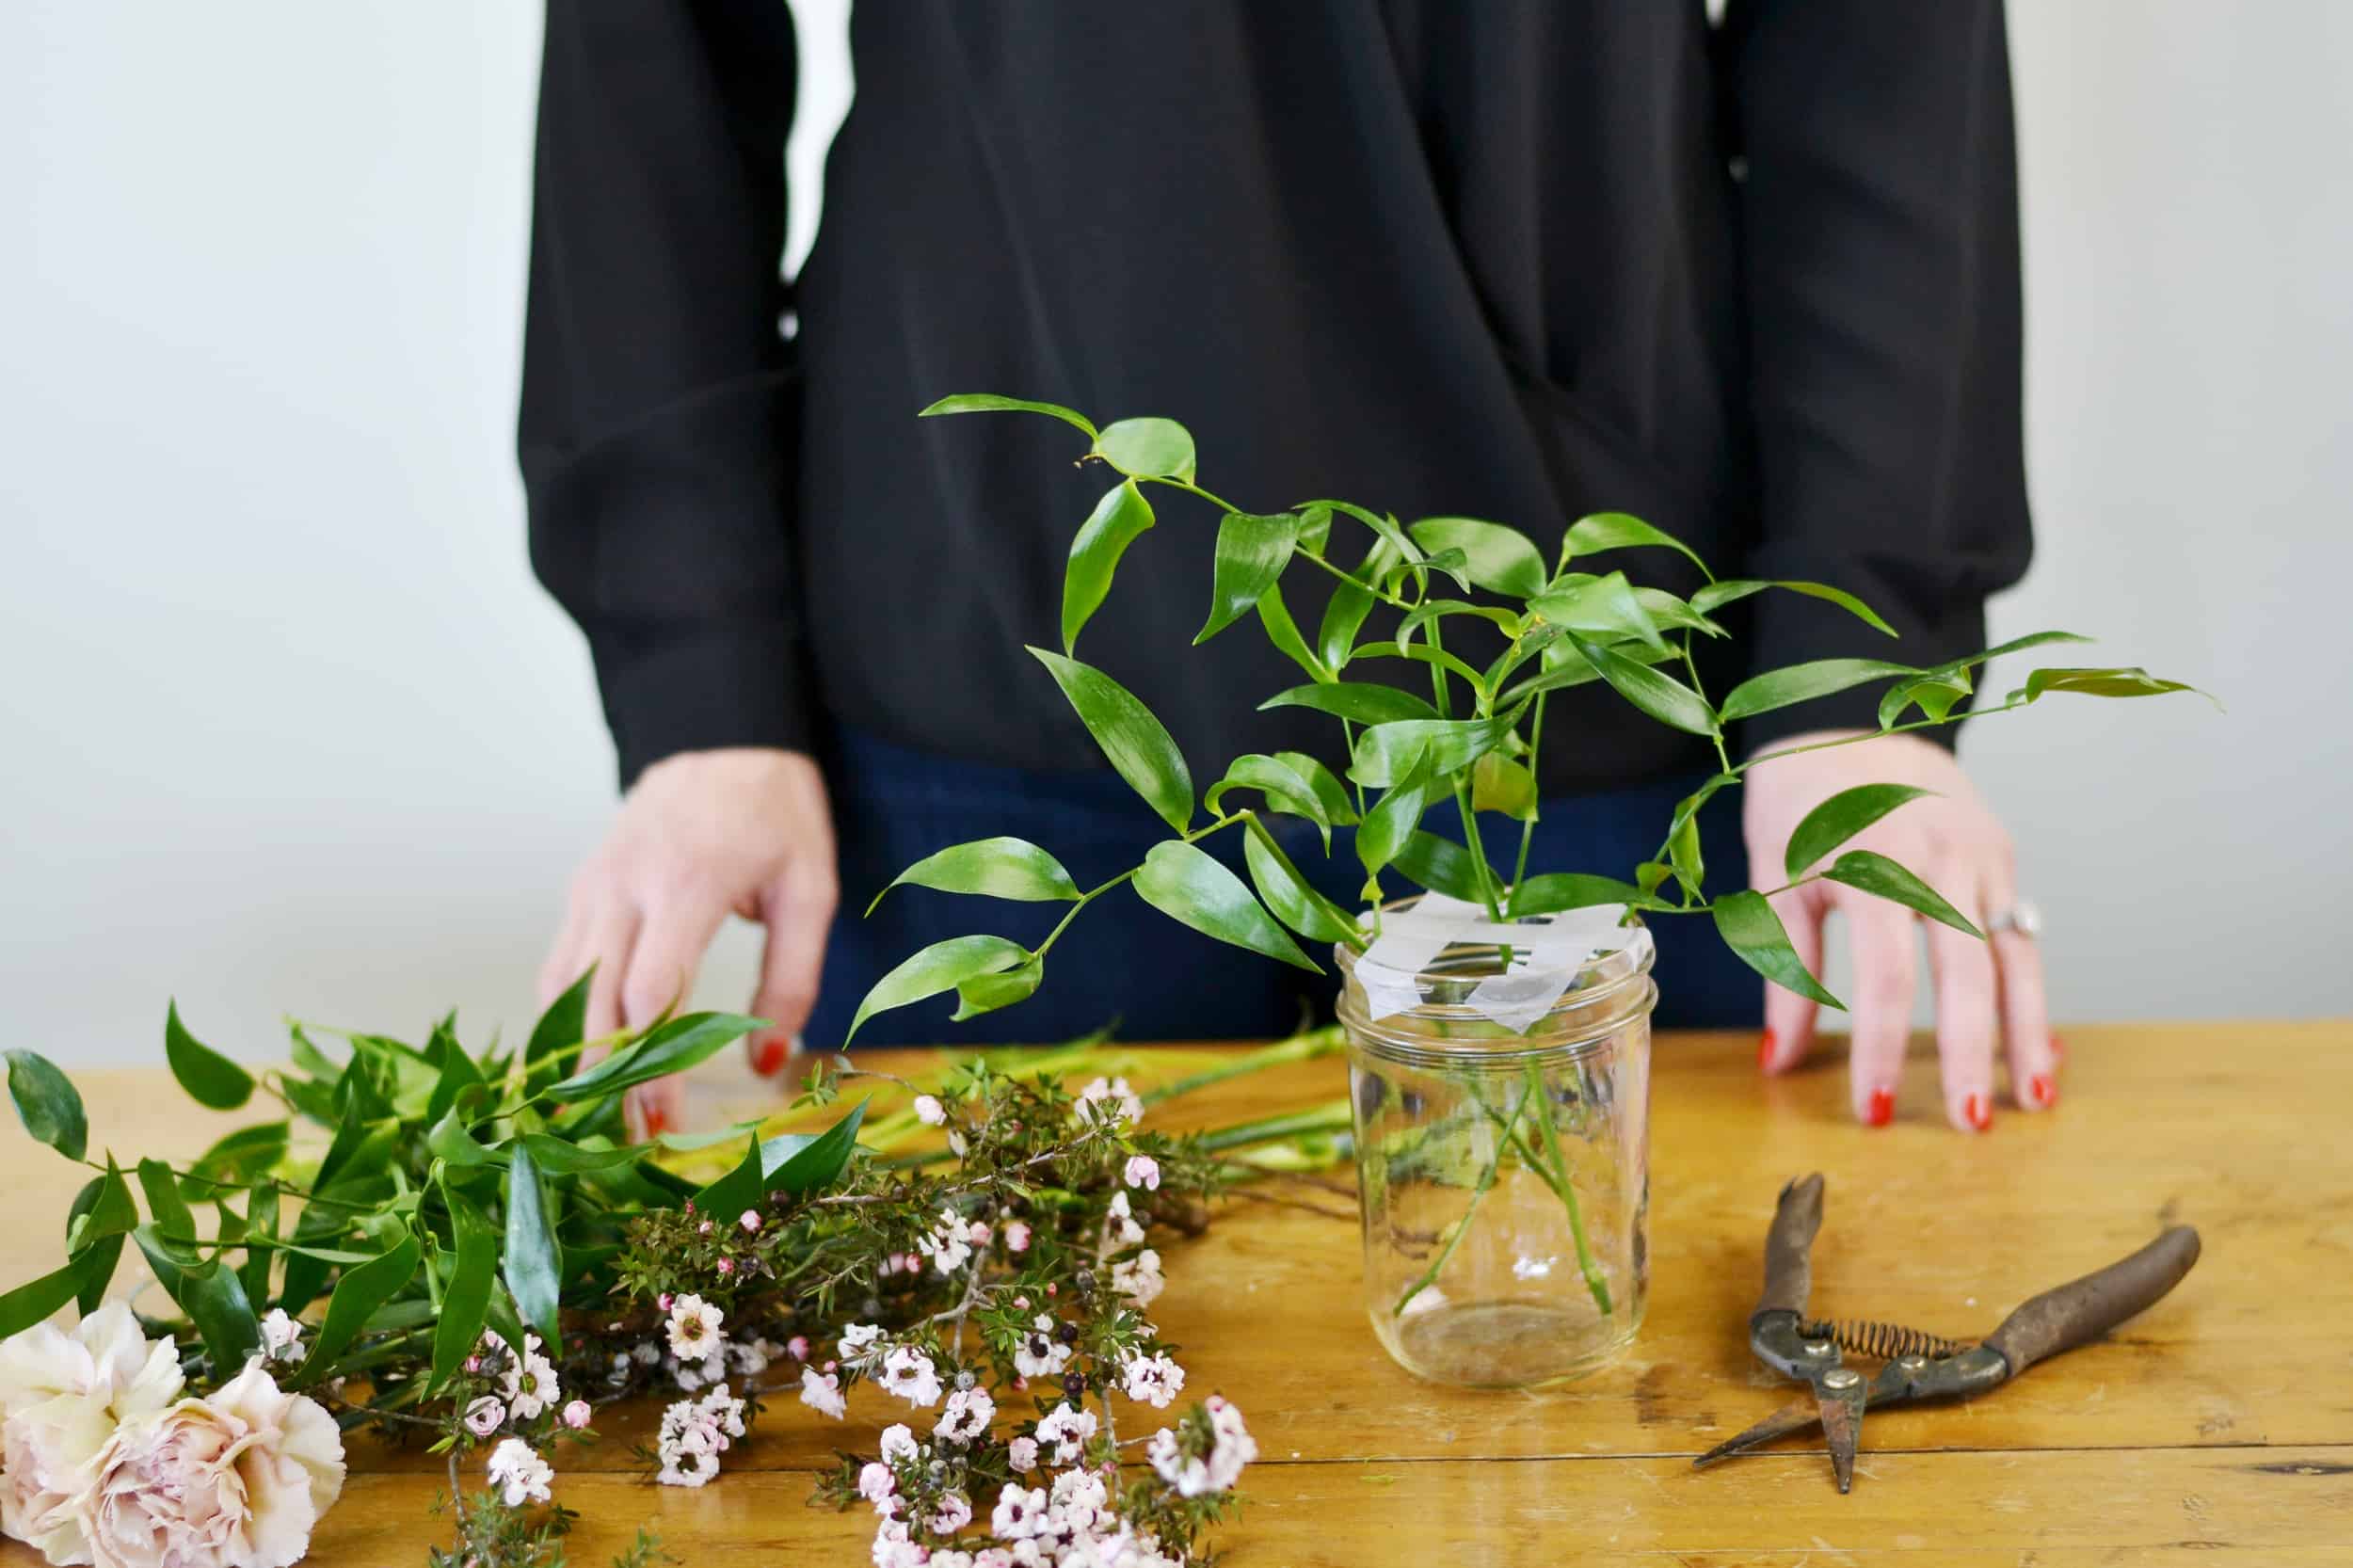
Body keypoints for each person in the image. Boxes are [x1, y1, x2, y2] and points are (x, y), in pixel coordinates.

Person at [520, 2, 2048, 1139]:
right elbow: (645, 50)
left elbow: (1879, 46)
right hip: (995, 690)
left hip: (1604, 698)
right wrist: (699, 675)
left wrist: (1858, 665)